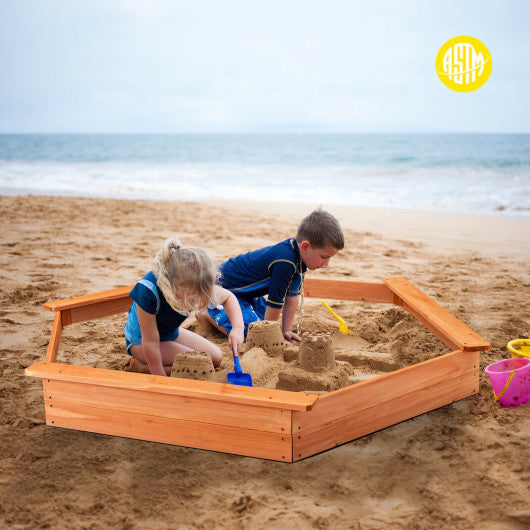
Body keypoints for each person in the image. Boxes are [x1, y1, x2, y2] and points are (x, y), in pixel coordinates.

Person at [197, 208, 344, 343]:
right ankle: (207, 314)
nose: (327, 264)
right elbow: (275, 302)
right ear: (305, 247)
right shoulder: (285, 261)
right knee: (254, 332)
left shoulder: (300, 261)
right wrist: (269, 339)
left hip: (246, 295)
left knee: (261, 323)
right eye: (324, 257)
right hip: (221, 290)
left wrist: (286, 330)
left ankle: (216, 314)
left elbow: (292, 298)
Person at [124, 237, 244, 376]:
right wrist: (159, 376)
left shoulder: (195, 283)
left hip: (169, 333)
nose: (197, 304)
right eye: (192, 299)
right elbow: (150, 341)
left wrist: (238, 328)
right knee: (199, 365)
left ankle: (150, 365)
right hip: (141, 342)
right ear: (173, 288)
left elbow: (228, 297)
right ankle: (141, 367)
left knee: (215, 358)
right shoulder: (148, 292)